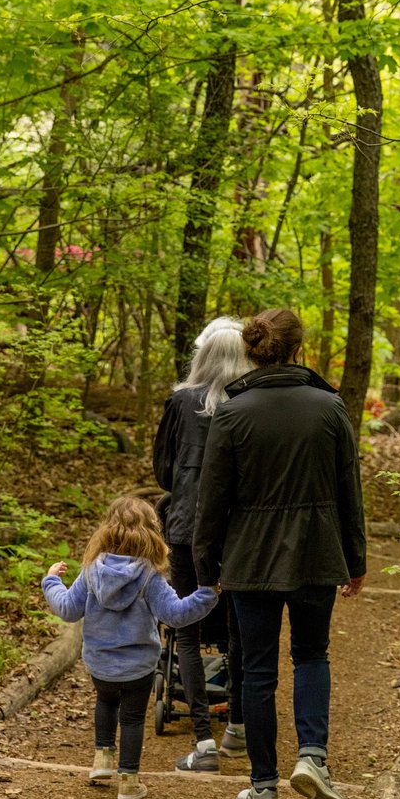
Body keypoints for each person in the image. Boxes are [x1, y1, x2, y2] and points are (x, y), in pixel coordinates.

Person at [192, 308, 367, 799]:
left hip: (249, 559)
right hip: (316, 552)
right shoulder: (330, 408)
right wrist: (355, 559)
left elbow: (212, 501)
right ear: (297, 349)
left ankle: (264, 787)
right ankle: (313, 758)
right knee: (312, 656)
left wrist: (207, 567)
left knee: (259, 671)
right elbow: (348, 492)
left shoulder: (232, 412)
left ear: (253, 350)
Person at [42, 495, 218, 799]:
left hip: (100, 664)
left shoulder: (91, 570)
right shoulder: (149, 575)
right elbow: (175, 614)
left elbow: (68, 609)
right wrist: (207, 593)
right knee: (133, 719)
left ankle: (102, 760)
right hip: (138, 665)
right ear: (151, 533)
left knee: (106, 702)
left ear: (107, 531)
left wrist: (51, 581)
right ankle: (128, 781)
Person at [153, 318, 249, 772]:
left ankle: (202, 741)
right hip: (239, 536)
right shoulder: (251, 404)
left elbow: (163, 470)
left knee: (185, 632)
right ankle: (238, 728)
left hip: (187, 528)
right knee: (239, 633)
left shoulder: (180, 402)